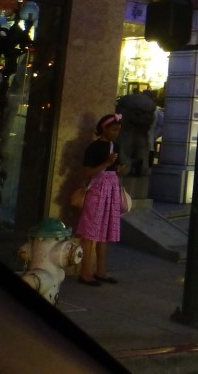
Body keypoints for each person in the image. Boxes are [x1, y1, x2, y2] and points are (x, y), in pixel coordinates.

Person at [76, 113, 127, 286]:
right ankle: (84, 272)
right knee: (90, 233)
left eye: (118, 129)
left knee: (105, 232)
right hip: (97, 190)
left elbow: (117, 169)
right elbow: (86, 172)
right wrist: (105, 163)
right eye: (113, 129)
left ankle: (101, 270)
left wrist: (119, 168)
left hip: (112, 190)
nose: (116, 132)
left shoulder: (116, 146)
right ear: (104, 129)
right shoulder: (93, 148)